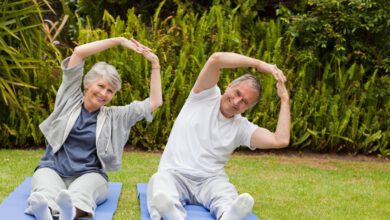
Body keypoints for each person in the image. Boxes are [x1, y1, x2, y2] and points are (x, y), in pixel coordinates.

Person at [25, 37, 162, 220]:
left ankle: (69, 213)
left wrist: (155, 63)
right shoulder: (69, 100)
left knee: (81, 193)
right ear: (88, 83)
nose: (104, 93)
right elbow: (79, 52)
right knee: (45, 190)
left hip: (89, 175)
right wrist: (119, 40)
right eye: (101, 86)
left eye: (110, 91)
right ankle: (46, 211)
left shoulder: (115, 117)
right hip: (53, 169)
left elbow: (155, 102)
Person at [147, 52, 290, 220]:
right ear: (229, 86)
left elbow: (280, 139)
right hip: (175, 174)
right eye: (237, 93)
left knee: (226, 192)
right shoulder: (204, 95)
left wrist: (284, 99)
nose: (237, 102)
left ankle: (229, 215)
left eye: (244, 102)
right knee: (159, 181)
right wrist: (259, 64)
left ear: (248, 108)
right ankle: (172, 214)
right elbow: (216, 59)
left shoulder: (241, 127)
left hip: (210, 181)